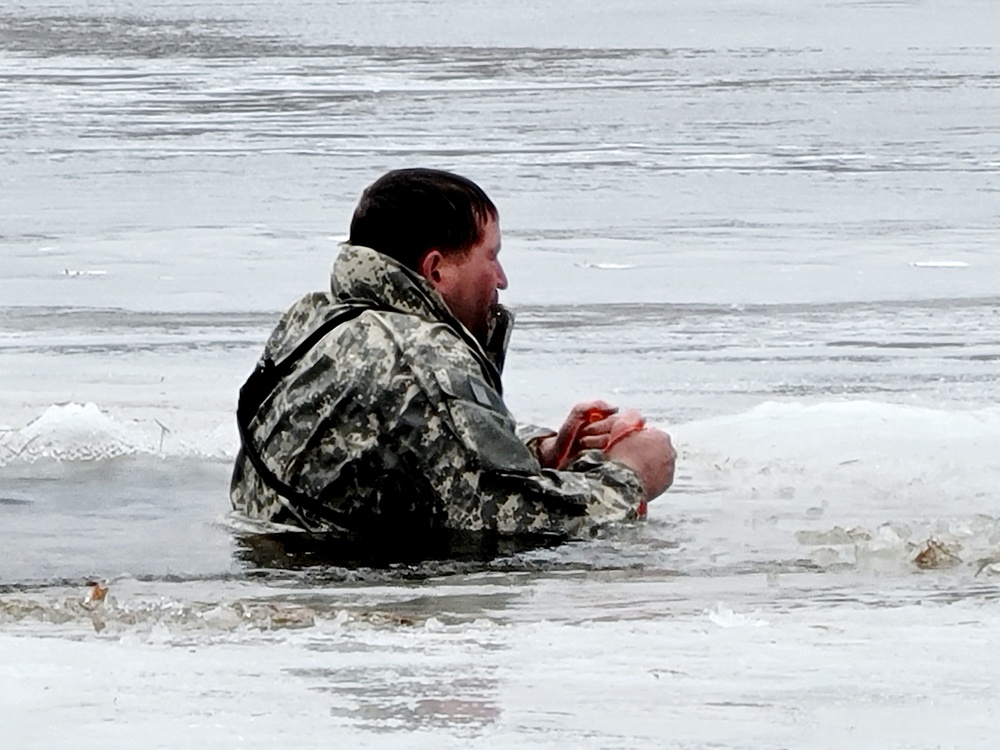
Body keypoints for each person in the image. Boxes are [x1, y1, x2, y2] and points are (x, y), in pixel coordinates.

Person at [230, 168, 675, 546]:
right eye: (491, 256)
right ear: (436, 270)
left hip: (275, 562)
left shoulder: (316, 322)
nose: (502, 279)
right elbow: (508, 521)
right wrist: (630, 475)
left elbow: (414, 445)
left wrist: (543, 452)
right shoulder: (420, 355)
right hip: (338, 591)